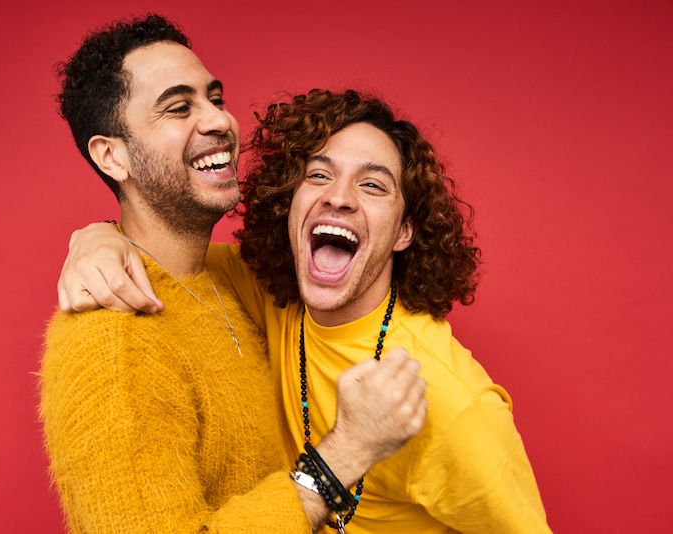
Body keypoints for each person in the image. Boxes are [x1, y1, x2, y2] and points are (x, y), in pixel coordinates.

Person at [59, 89, 553, 533]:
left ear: (404, 232)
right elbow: (163, 254)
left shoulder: (455, 404)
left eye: (373, 185)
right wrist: (97, 237)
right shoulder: (266, 293)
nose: (338, 197)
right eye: (319, 175)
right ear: (290, 203)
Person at [39, 15, 428, 534]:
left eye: (215, 98)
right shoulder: (112, 343)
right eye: (179, 108)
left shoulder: (228, 281)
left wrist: (95, 234)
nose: (219, 121)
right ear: (112, 156)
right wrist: (343, 456)